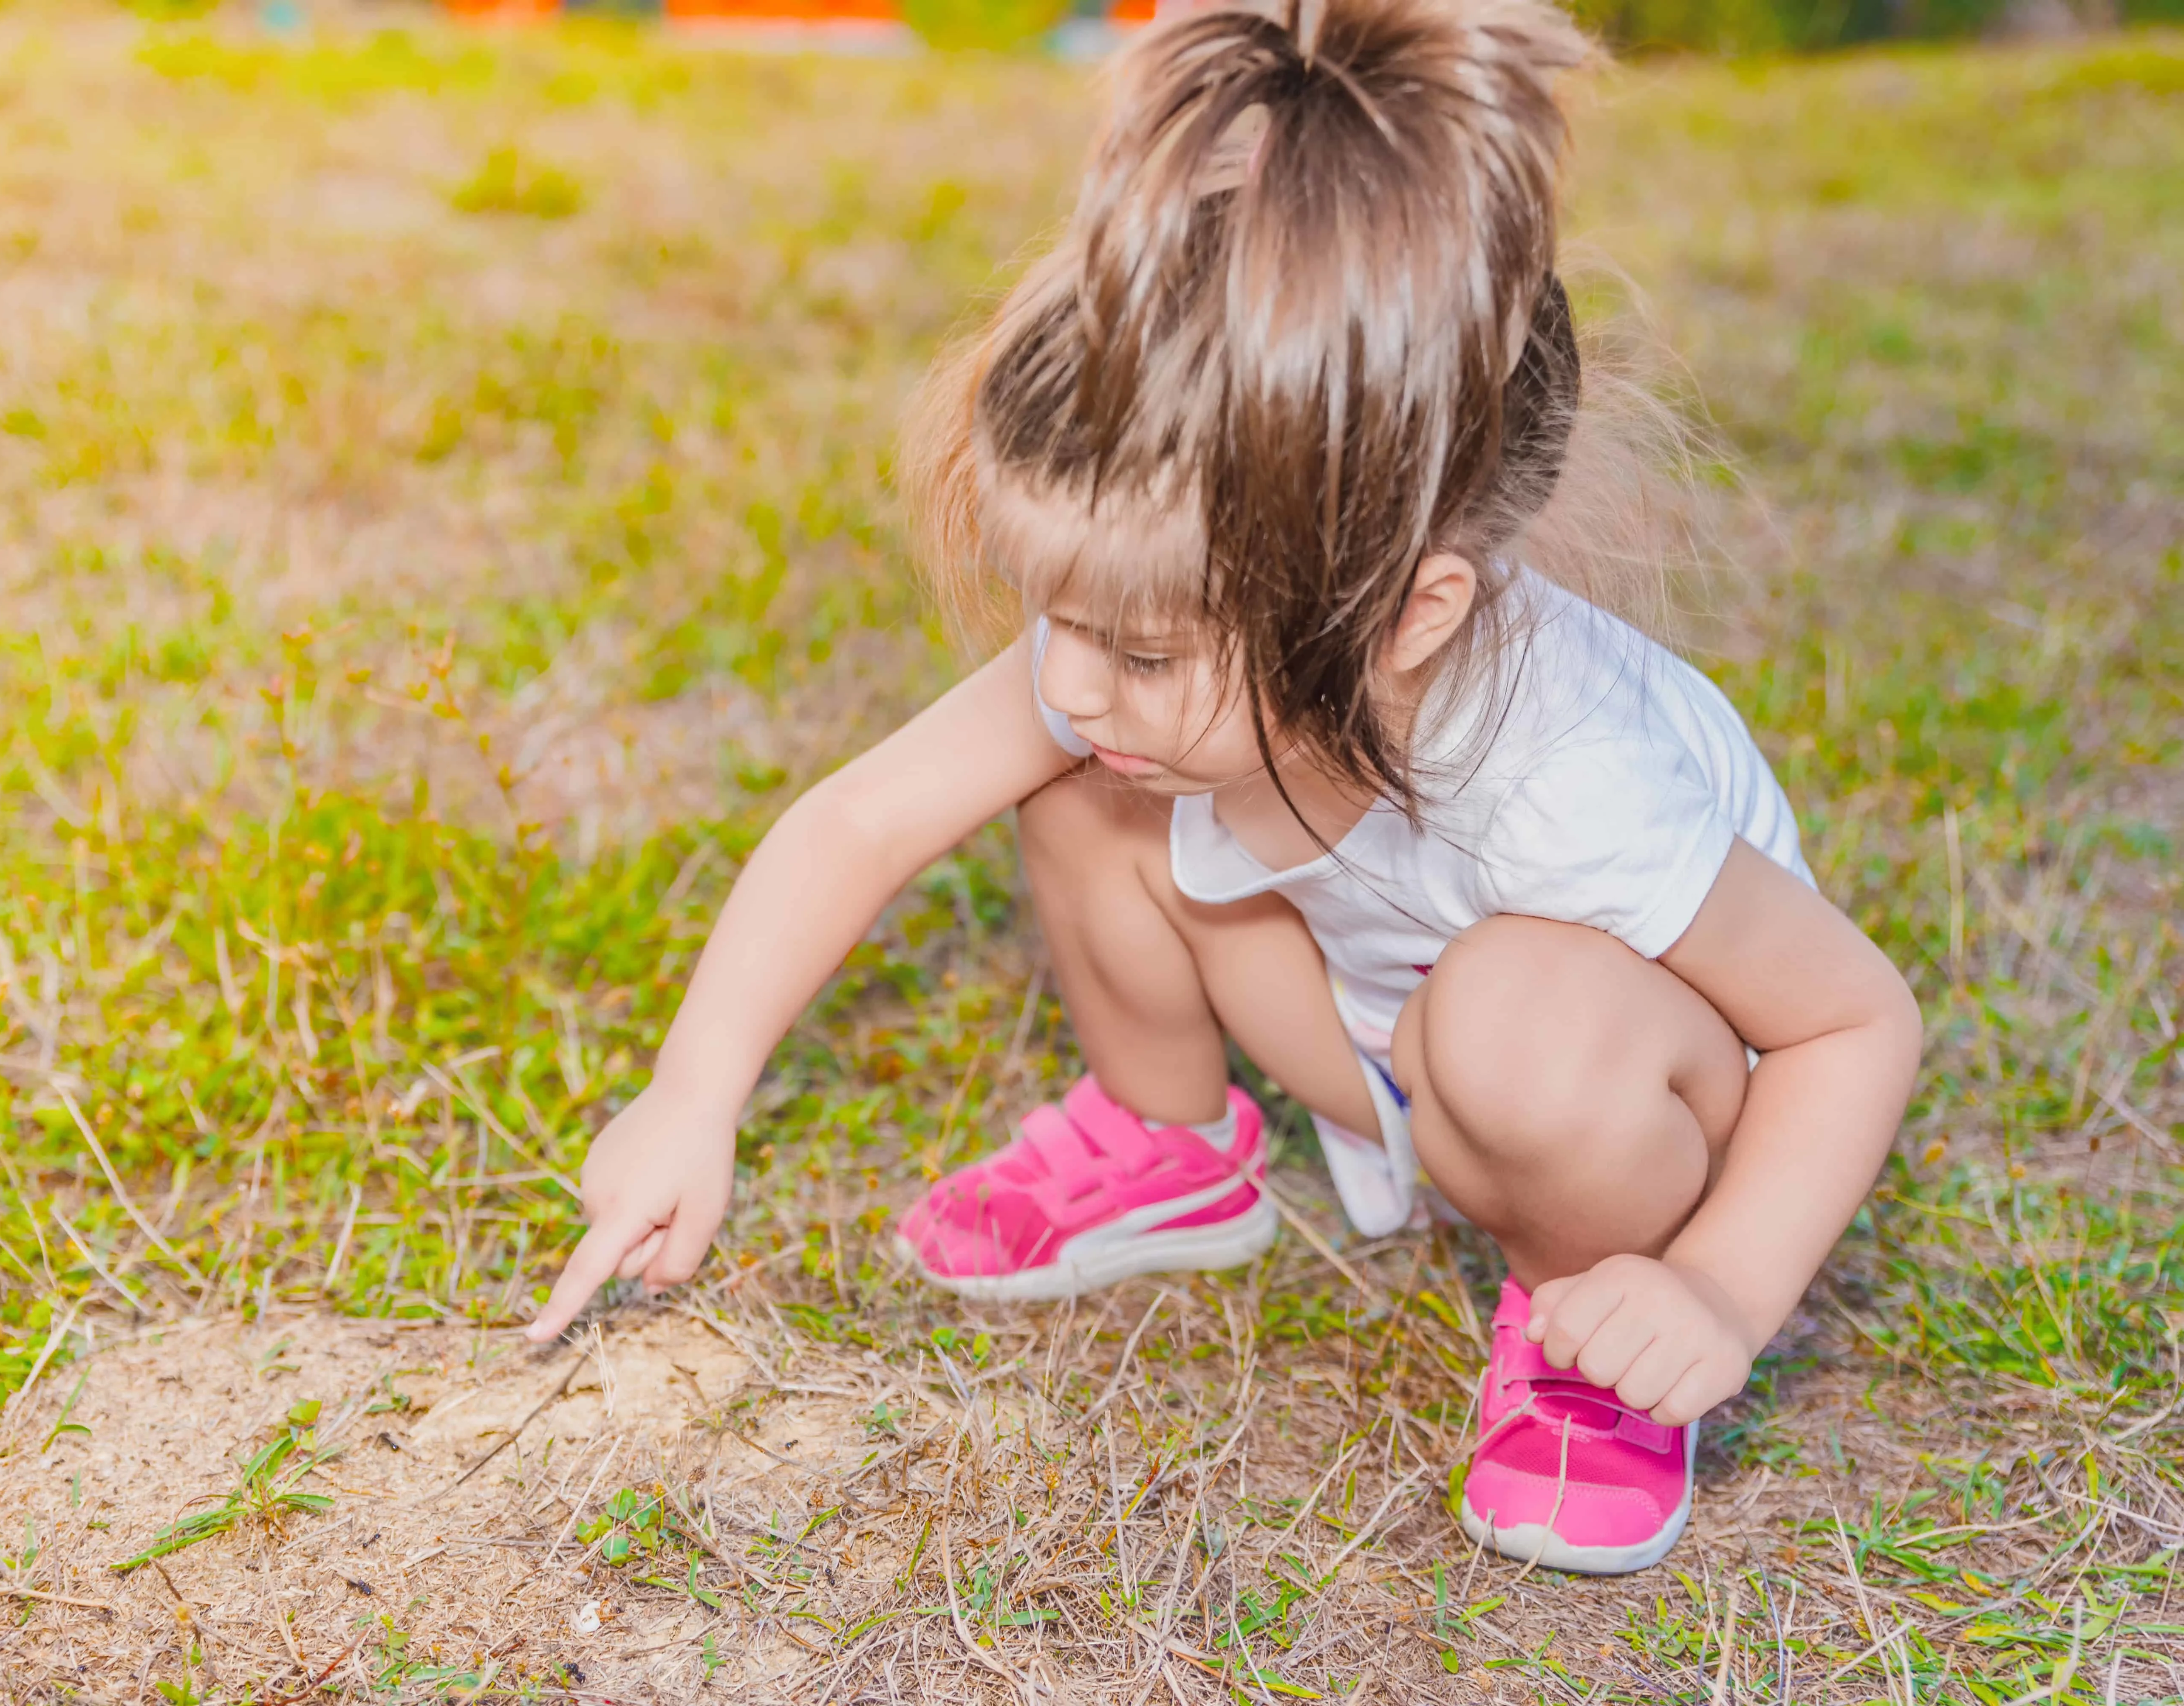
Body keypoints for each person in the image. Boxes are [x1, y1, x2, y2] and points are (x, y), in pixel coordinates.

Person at [524, 0, 1922, 1575]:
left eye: (1134, 648)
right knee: (1079, 779)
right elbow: (862, 816)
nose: (1069, 679)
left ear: (1405, 617)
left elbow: (1851, 1024)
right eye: (1061, 621)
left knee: (1513, 1009)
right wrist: (693, 1094)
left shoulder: (1565, 770)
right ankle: (1168, 1139)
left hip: (1615, 1105)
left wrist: (1721, 1289)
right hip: (1385, 1041)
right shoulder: (1166, 639)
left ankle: (1581, 1334)